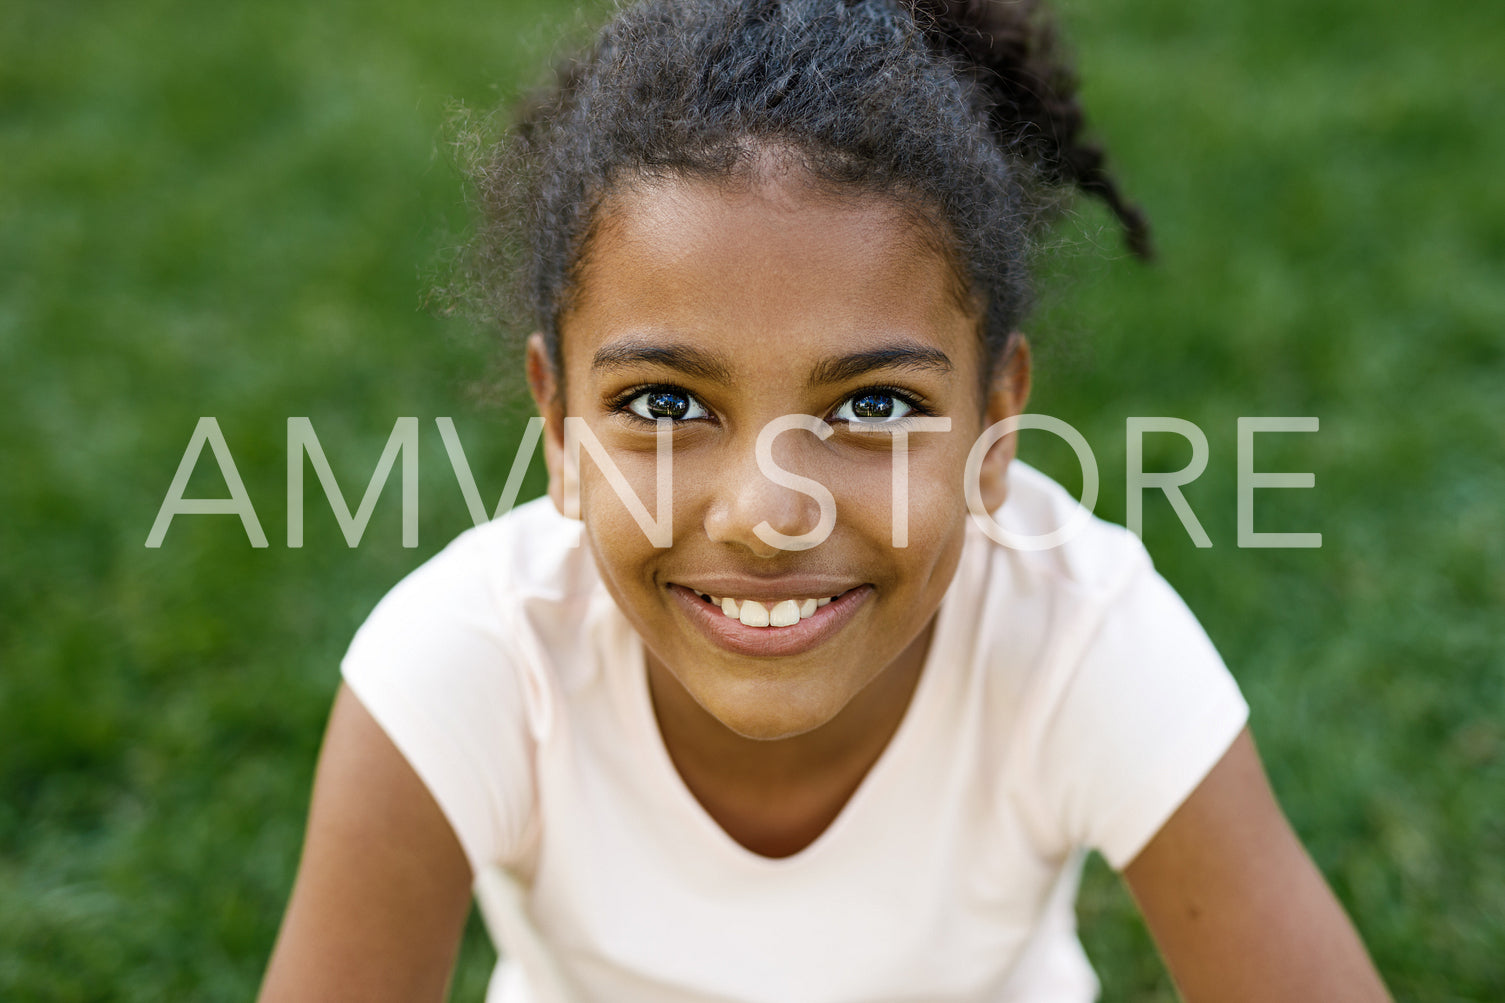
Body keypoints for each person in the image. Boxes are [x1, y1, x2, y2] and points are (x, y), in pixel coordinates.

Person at [259, 1, 1391, 1000]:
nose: (765, 511)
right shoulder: (470, 659)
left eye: (876, 407)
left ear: (996, 425)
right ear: (557, 425)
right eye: (662, 405)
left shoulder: (1076, 635)